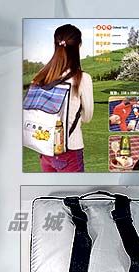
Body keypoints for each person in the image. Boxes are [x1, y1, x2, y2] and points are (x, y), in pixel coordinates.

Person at [32, 24, 94, 172]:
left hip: (45, 150)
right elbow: (87, 117)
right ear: (78, 46)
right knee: (73, 187)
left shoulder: (42, 76)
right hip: (69, 150)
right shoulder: (82, 78)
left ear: (55, 44)